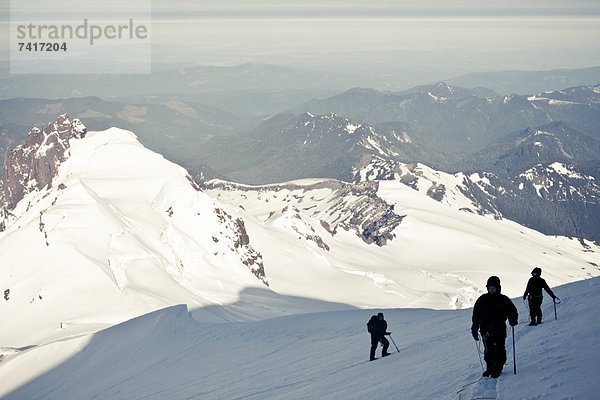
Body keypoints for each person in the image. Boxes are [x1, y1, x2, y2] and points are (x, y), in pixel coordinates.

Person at [471, 276, 518, 378]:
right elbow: (476, 316)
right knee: (488, 349)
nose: (492, 289)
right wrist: (474, 329)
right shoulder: (482, 299)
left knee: (500, 348)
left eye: (494, 287)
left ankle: (498, 368)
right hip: (485, 329)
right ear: (487, 288)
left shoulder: (503, 299)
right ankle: (489, 368)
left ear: (498, 288)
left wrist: (513, 319)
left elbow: (512, 311)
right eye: (490, 287)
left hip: (499, 328)